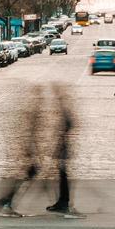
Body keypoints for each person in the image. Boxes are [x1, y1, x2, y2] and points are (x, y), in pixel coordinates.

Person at [45, 84, 81, 217]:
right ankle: (62, 201)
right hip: (62, 147)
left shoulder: (64, 110)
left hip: (63, 147)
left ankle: (63, 202)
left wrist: (60, 139)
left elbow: (69, 124)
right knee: (61, 175)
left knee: (63, 175)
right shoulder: (62, 110)